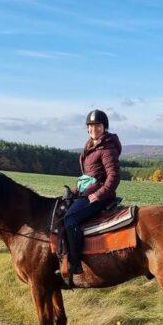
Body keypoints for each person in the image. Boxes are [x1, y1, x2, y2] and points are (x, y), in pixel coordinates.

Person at [61, 109, 122, 277]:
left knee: (70, 218)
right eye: (91, 126)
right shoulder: (91, 146)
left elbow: (114, 177)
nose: (94, 129)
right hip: (87, 192)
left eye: (98, 126)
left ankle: (75, 263)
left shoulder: (107, 148)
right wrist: (75, 191)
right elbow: (90, 176)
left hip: (100, 196)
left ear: (104, 127)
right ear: (87, 128)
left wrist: (99, 194)